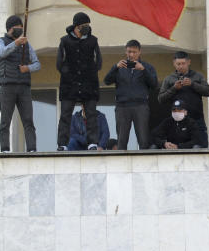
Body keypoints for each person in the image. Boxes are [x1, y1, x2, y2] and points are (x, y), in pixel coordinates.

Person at [56, 12, 102, 150]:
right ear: (76, 26)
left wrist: (90, 72)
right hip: (69, 85)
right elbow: (59, 63)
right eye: (84, 25)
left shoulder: (93, 40)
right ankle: (62, 144)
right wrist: (68, 74)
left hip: (89, 84)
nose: (87, 27)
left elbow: (98, 62)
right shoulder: (64, 41)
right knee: (65, 115)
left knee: (91, 114)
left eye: (88, 25)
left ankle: (92, 143)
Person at [0, 15, 41, 152]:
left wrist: (28, 68)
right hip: (7, 86)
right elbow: (2, 52)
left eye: (22, 28)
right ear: (10, 28)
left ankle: (32, 149)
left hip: (24, 87)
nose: (20, 30)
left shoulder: (27, 44)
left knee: (28, 121)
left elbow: (37, 64)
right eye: (17, 28)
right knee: (5, 121)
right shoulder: (0, 41)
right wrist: (16, 43)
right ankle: (5, 149)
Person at [103, 40, 158, 149]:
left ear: (139, 52)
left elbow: (154, 85)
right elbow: (107, 81)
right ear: (125, 51)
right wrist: (115, 67)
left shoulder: (147, 66)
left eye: (134, 52)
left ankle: (143, 164)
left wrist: (143, 70)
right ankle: (122, 164)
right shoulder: (119, 66)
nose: (131, 54)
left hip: (140, 106)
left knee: (143, 139)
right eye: (129, 52)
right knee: (122, 140)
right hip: (122, 106)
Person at [158, 51, 209, 129]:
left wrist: (192, 84)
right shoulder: (169, 79)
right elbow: (160, 99)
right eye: (178, 64)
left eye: (183, 63)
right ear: (174, 63)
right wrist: (174, 88)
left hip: (197, 119)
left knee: (200, 141)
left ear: (189, 62)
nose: (181, 66)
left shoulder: (198, 76)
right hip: (177, 121)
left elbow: (208, 91)